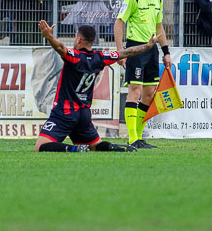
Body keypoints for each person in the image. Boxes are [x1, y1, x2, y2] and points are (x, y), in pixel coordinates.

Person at [34, 21, 152, 153]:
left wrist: (49, 36)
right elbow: (127, 52)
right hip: (83, 114)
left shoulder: (75, 57)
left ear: (79, 39)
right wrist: (148, 46)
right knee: (95, 145)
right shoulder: (100, 58)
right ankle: (116, 148)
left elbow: (60, 48)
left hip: (65, 112)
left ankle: (74, 149)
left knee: (41, 146)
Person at [113, 0, 172, 150]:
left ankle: (138, 136)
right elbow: (119, 22)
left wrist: (166, 52)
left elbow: (158, 26)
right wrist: (121, 51)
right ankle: (131, 139)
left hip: (152, 50)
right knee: (135, 91)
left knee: (149, 94)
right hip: (135, 49)